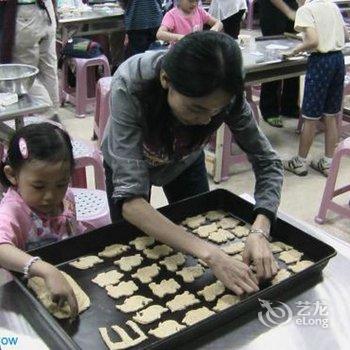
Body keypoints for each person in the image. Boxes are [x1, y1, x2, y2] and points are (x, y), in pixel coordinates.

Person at [102, 31, 284, 295]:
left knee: (200, 236)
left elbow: (267, 162)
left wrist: (260, 229)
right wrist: (212, 255)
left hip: (184, 161)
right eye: (196, 109)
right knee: (134, 254)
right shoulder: (131, 84)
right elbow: (131, 202)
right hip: (127, 160)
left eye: (215, 112)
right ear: (166, 79)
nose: (206, 121)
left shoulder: (227, 98)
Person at [0, 123, 87, 318]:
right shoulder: (12, 211)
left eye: (61, 184)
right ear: (12, 175)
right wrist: (46, 270)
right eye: (39, 186)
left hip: (68, 278)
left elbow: (74, 230)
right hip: (27, 298)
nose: (50, 196)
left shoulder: (67, 198)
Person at [283, 0, 348, 177]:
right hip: (337, 60)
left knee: (310, 116)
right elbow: (346, 34)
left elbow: (313, 40)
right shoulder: (332, 5)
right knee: (330, 115)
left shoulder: (306, 10)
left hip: (320, 63)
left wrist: (295, 50)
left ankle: (300, 162)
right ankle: (328, 162)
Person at [0, 0, 60, 118]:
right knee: (48, 71)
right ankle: (53, 123)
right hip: (46, 10)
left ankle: (46, 119)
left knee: (24, 76)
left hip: (25, 13)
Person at [259, 0, 300, 127]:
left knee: (295, 57)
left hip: (292, 8)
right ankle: (269, 109)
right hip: (273, 11)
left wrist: (302, 8)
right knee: (273, 60)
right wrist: (288, 11)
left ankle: (290, 106)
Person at [156, 0, 222, 44]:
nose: (194, 4)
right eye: (190, 1)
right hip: (179, 52)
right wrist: (180, 37)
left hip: (196, 49)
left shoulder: (199, 11)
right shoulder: (171, 15)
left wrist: (213, 30)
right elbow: (160, 34)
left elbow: (219, 23)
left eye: (196, 1)